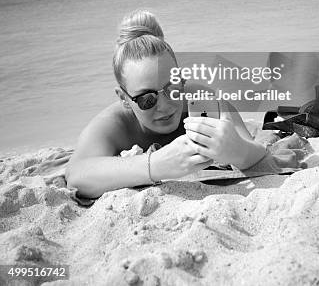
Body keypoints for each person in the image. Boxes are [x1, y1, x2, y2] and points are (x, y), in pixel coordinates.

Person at [66, 11, 303, 198]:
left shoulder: (204, 100)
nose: (165, 106)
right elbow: (77, 175)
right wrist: (155, 166)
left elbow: (258, 154)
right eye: (147, 99)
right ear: (124, 99)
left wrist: (236, 150)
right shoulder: (114, 124)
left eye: (173, 87)